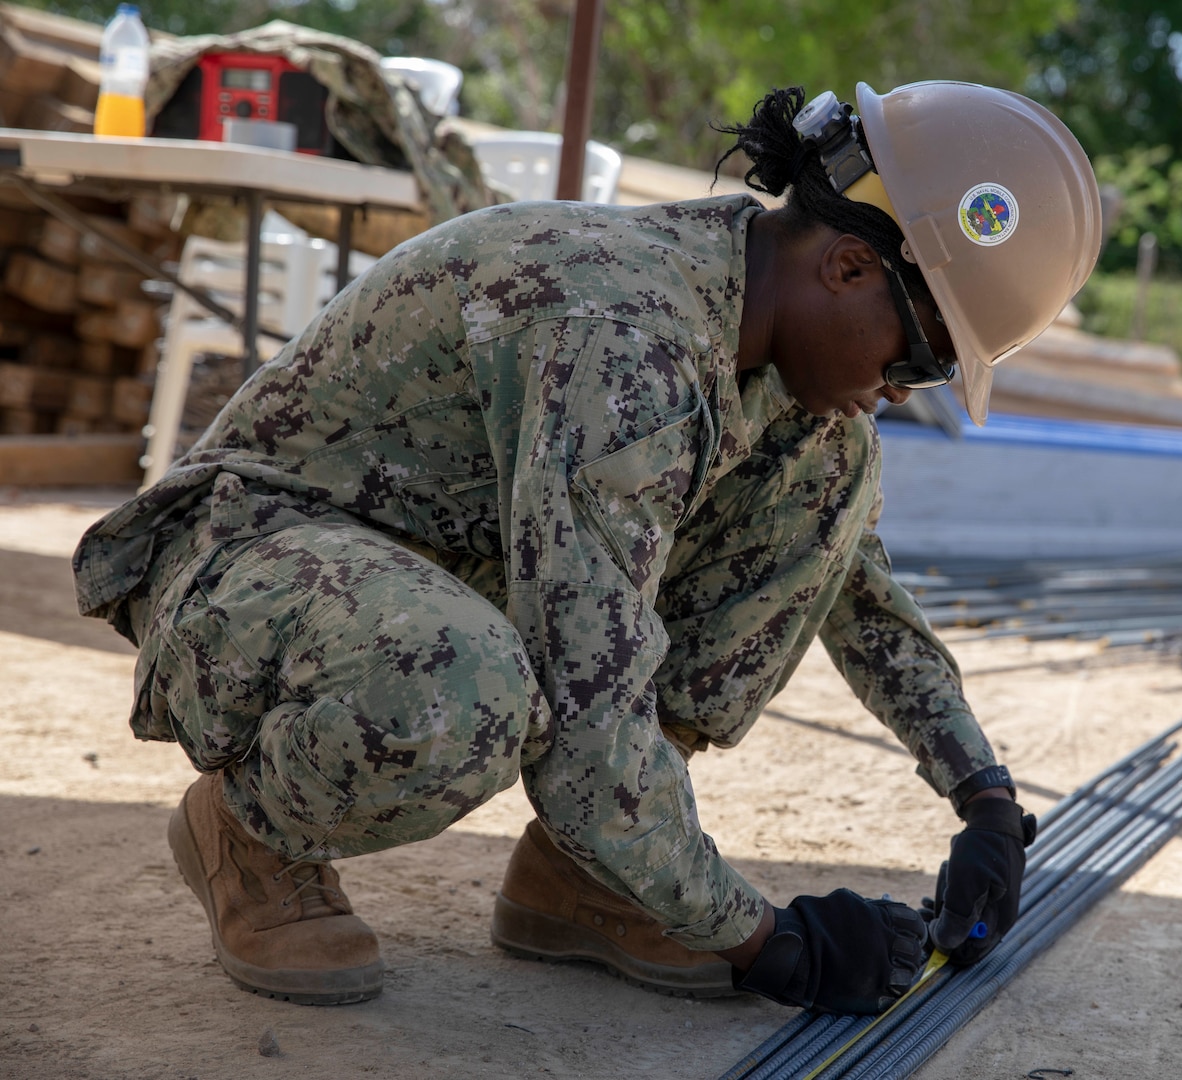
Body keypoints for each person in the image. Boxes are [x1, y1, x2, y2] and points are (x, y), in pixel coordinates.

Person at [73, 81, 1101, 1013]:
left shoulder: (754, 333)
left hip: (437, 567)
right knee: (469, 689)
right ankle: (249, 834)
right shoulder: (624, 344)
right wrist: (765, 940)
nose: (893, 393)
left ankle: (589, 875)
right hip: (251, 562)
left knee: (832, 481)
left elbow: (858, 594)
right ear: (847, 264)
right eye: (916, 363)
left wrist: (984, 798)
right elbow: (587, 708)